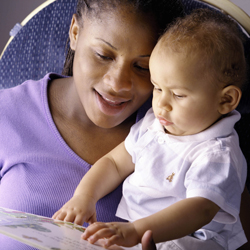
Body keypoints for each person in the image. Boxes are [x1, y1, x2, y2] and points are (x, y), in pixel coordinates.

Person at [53, 9, 248, 250]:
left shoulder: (217, 152)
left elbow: (201, 208)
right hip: (136, 233)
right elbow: (114, 163)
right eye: (157, 88)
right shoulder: (153, 126)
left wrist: (137, 230)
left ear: (226, 100)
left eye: (177, 94)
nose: (161, 104)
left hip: (190, 241)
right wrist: (85, 197)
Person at [0, 0, 185, 249]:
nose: (118, 84)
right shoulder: (7, 113)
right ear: (75, 32)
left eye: (141, 67)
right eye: (103, 55)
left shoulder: (180, 134)